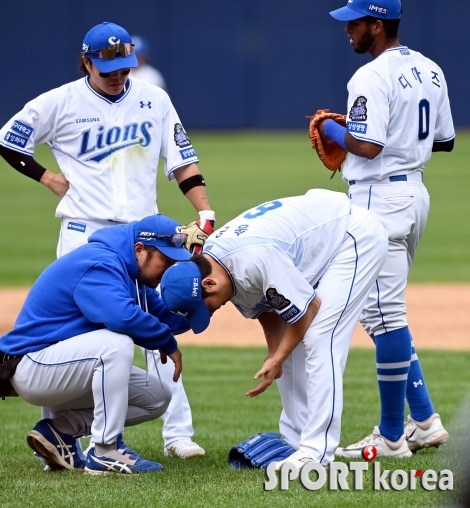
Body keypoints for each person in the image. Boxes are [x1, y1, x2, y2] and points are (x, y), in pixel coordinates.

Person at [0, 21, 214, 459]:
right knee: (70, 339)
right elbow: (8, 138)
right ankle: (62, 440)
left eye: (123, 69)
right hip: (85, 232)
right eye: (107, 70)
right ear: (86, 62)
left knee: (159, 315)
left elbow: (183, 161)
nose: (117, 77)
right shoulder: (60, 101)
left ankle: (178, 435)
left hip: (144, 239)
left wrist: (205, 210)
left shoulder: (154, 99)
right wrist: (46, 177)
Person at [159, 189, 389, 469]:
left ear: (208, 285)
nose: (210, 311)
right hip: (323, 239)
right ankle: (297, 441)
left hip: (353, 235)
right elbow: (268, 308)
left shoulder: (251, 259)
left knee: (319, 337)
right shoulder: (219, 270)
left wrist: (278, 356)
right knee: (288, 348)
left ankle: (316, 452)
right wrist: (275, 355)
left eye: (205, 307)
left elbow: (308, 309)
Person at [318, 0, 455, 458]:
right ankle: (425, 420)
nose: (347, 31)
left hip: (379, 198)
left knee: (382, 315)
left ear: (377, 25)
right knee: (386, 311)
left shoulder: (370, 76)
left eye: (354, 23)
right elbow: (446, 141)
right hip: (415, 195)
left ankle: (392, 436)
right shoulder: (431, 69)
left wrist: (332, 130)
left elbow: (369, 146)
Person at [0, 214, 205, 474]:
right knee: (115, 343)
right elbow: (122, 316)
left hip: (64, 367)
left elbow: (163, 316)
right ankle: (105, 450)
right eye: (165, 260)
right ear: (140, 250)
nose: (168, 269)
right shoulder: (99, 263)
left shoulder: (131, 273)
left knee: (157, 396)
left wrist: (202, 300)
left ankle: (59, 432)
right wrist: (166, 342)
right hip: (33, 366)